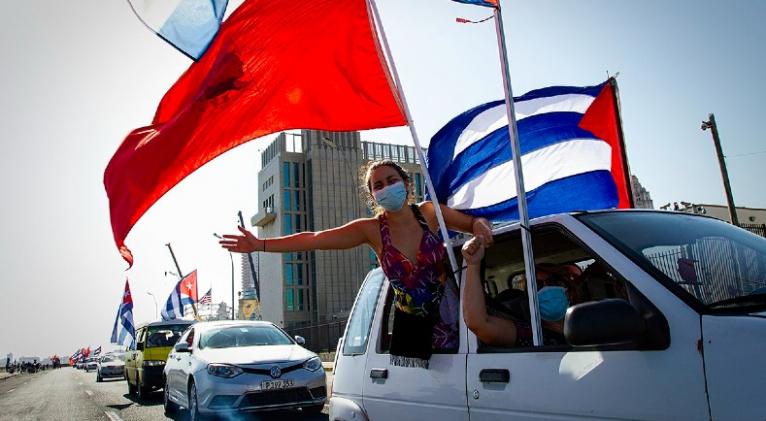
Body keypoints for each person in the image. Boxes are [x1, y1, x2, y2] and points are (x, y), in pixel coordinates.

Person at [221, 160, 492, 368]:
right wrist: (260, 245)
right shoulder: (371, 230)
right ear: (372, 195)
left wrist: (480, 230)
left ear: (407, 184)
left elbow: (472, 222)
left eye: (391, 180)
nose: (386, 187)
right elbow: (315, 239)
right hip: (415, 330)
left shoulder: (430, 213)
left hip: (458, 312)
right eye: (378, 185)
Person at [461, 237, 574, 348]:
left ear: (568, 290)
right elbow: (479, 324)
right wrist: (473, 265)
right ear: (530, 298)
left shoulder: (587, 321)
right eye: (537, 285)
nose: (546, 288)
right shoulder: (529, 333)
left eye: (552, 281)